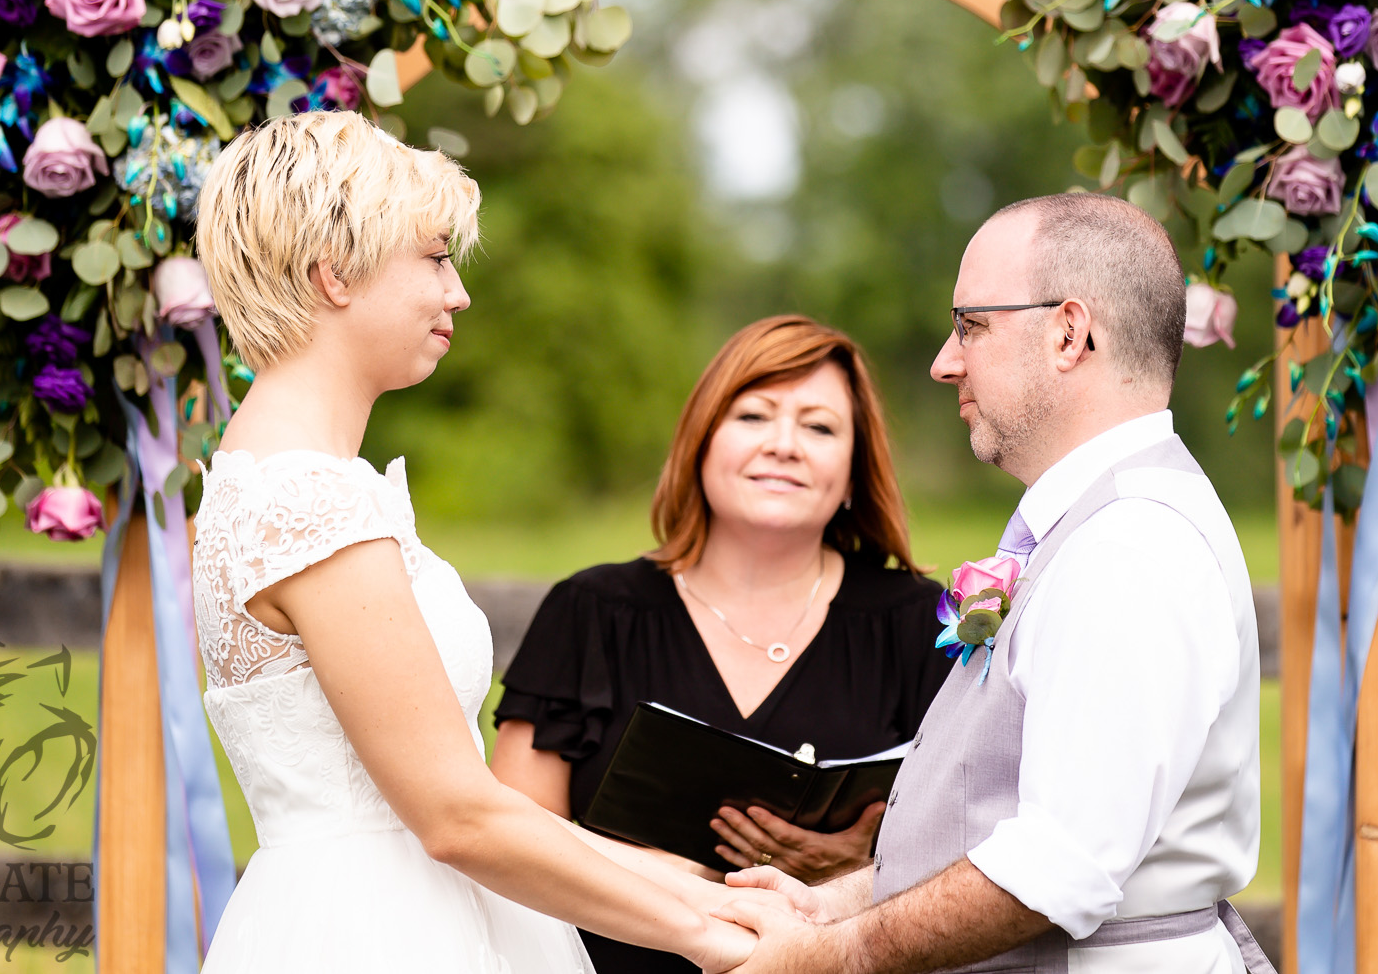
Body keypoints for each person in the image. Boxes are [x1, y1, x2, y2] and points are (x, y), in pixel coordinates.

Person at [188, 110, 758, 973]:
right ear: (334, 273)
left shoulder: (261, 479)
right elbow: (457, 816)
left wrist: (704, 891)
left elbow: (462, 796)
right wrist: (713, 944)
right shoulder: (311, 503)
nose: (457, 292)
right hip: (381, 935)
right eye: (434, 256)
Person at [718, 193, 1272, 974]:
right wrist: (833, 901)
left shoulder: (1129, 545)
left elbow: (1055, 868)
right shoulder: (1092, 523)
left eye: (971, 324)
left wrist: (826, 956)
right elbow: (996, 818)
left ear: (1068, 333)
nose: (945, 360)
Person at [493, 315, 952, 974]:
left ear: (853, 470)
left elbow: (979, 840)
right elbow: (509, 836)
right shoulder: (591, 611)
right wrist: (681, 878)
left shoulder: (915, 623)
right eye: (753, 415)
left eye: (819, 427)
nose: (784, 445)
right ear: (701, 441)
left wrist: (856, 868)